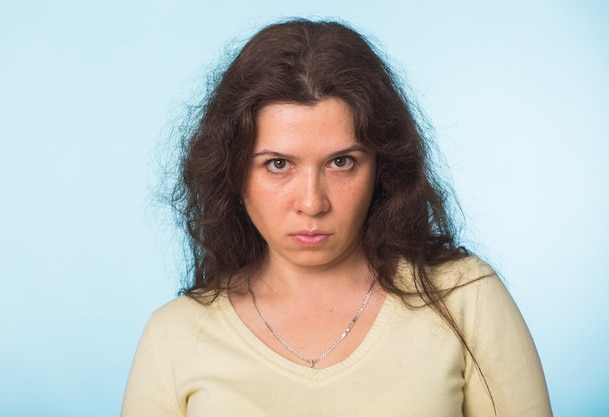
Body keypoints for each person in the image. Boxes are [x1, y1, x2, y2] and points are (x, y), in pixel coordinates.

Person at [121, 19, 552, 417]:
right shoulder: (174, 335)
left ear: (382, 167)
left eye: (341, 162)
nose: (312, 203)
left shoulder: (465, 300)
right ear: (231, 172)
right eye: (277, 165)